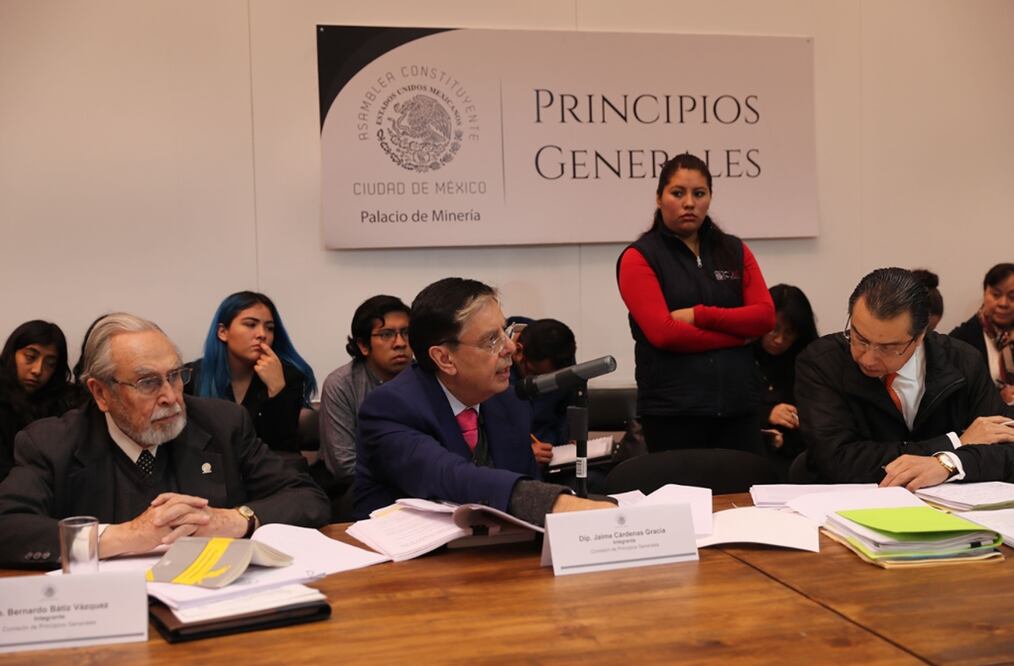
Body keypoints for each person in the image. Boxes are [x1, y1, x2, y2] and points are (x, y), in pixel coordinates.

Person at [0, 313, 329, 567]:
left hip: (211, 601)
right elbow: (8, 526)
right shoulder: (51, 443)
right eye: (148, 382)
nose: (171, 397)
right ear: (101, 393)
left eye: (175, 375)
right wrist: (121, 536)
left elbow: (308, 498)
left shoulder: (221, 423)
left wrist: (236, 519)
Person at [354, 278, 613, 523]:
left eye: (505, 331)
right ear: (444, 358)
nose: (510, 348)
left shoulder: (509, 401)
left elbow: (525, 481)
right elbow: (449, 477)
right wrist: (557, 504)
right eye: (491, 340)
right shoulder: (389, 408)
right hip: (405, 551)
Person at [796, 267, 1014, 489]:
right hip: (845, 501)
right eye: (860, 338)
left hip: (946, 503)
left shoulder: (963, 362)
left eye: (888, 347)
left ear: (920, 336)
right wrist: (954, 443)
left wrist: (948, 464)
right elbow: (837, 459)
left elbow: (1006, 447)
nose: (868, 358)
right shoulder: (822, 363)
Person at [616, 153, 775, 453]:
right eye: (678, 193)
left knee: (746, 484)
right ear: (659, 198)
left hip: (740, 408)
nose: (689, 203)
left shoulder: (735, 250)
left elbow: (765, 317)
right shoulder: (639, 257)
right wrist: (738, 336)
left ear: (710, 198)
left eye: (699, 194)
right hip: (673, 413)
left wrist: (699, 315)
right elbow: (665, 334)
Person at [187, 291, 317, 456]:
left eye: (269, 328)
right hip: (211, 469)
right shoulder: (190, 377)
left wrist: (277, 391)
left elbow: (284, 447)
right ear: (223, 332)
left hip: (270, 467)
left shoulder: (289, 375)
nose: (262, 334)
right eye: (250, 325)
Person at [319, 295, 412, 487]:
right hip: (358, 486)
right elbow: (344, 465)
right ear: (363, 345)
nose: (400, 343)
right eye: (386, 334)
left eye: (406, 333)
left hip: (422, 483)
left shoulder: (429, 378)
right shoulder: (341, 384)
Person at [754, 284, 818, 473]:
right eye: (773, 329)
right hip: (750, 451)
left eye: (789, 333)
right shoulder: (740, 357)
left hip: (796, 456)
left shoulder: (809, 363)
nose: (779, 340)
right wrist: (766, 414)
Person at [0, 321, 75, 481]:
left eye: (50, 364)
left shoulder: (62, 404)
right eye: (30, 357)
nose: (37, 370)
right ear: (12, 353)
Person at [509, 317, 577, 465]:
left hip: (555, 455)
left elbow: (567, 407)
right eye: (536, 376)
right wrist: (522, 454)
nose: (542, 387)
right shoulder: (493, 363)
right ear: (518, 351)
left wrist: (571, 439)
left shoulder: (560, 353)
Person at [950, 263, 1014, 406]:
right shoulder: (960, 340)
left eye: (1012, 296)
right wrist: (997, 398)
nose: (1003, 303)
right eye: (996, 294)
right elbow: (956, 396)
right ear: (985, 293)